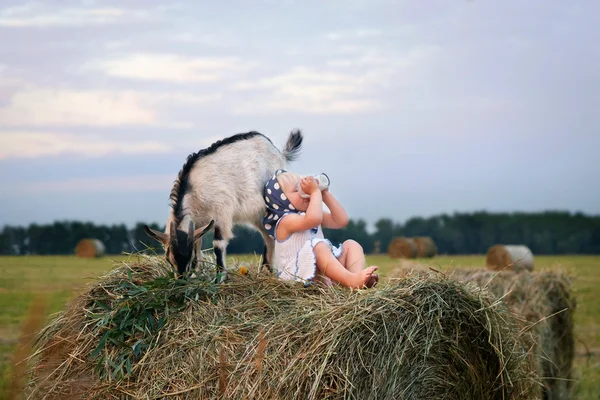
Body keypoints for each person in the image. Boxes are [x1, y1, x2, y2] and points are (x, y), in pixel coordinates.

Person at [263, 169, 379, 289]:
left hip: (322, 275)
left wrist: (325, 195)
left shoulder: (311, 212)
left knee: (351, 245)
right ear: (282, 201)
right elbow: (313, 219)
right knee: (318, 247)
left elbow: (341, 220)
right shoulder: (285, 221)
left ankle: (356, 281)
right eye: (296, 189)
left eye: (301, 186)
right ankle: (350, 280)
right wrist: (314, 192)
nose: (303, 191)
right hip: (299, 279)